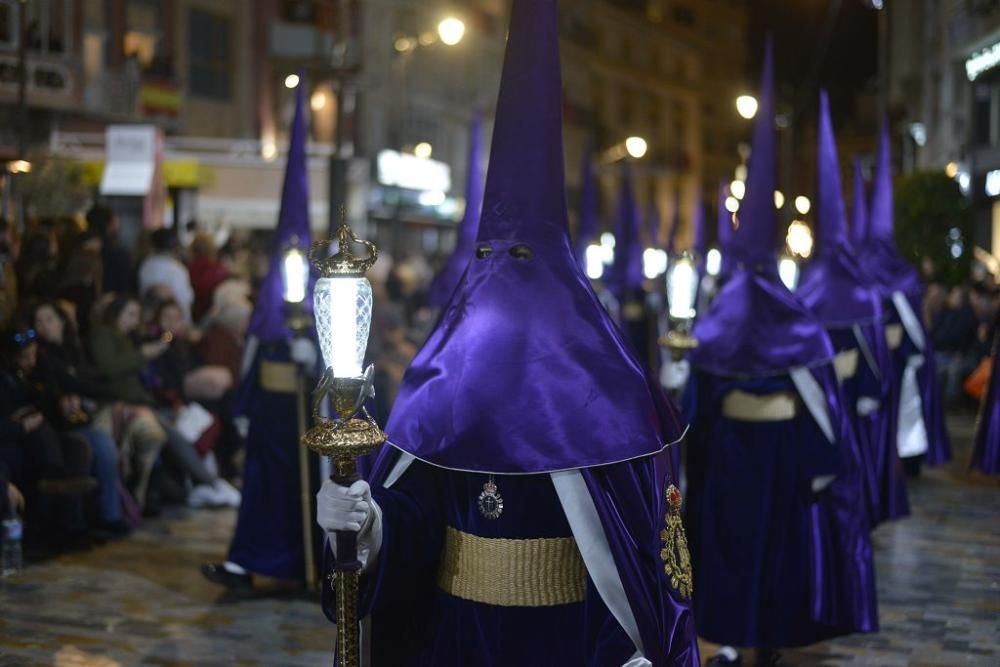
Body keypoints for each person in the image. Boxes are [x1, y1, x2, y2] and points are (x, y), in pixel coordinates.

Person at [317, 3, 699, 664]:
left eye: (522, 261)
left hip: (563, 643)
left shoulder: (606, 399)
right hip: (454, 640)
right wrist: (365, 521)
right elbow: (413, 518)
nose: (504, 282)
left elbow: (640, 548)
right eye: (492, 260)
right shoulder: (443, 383)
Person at [685, 45, 876, 667]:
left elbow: (697, 403)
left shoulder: (723, 316)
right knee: (774, 552)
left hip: (738, 461)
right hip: (783, 460)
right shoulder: (796, 318)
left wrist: (699, 458)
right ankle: (760, 641)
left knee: (737, 551)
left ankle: (739, 640)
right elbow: (827, 410)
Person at [202, 80, 320, 591]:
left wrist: (311, 355)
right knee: (262, 488)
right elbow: (253, 350)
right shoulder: (270, 288)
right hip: (272, 412)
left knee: (310, 487)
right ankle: (249, 562)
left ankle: (315, 567)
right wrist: (246, 409)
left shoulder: (326, 288)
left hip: (310, 408)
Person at [797, 91, 909, 527]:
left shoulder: (827, 291)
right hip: (832, 399)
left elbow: (875, 354)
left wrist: (864, 389)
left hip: (846, 397)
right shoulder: (825, 289)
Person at [32, 302, 128, 535]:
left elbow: (89, 377)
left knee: (114, 430)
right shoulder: (40, 355)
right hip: (58, 423)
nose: (45, 326)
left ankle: (112, 512)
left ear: (62, 322)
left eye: (50, 319)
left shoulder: (72, 349)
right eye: (39, 321)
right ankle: (109, 515)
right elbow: (69, 384)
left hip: (84, 415)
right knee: (103, 444)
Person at [139, 229, 194, 322]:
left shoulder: (145, 265)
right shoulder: (177, 269)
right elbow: (184, 301)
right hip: (172, 324)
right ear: (174, 245)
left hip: (150, 321)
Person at [86, 204, 134, 296]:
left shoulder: (75, 246)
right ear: (109, 224)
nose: (119, 225)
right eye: (116, 221)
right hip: (112, 303)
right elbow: (125, 285)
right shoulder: (118, 253)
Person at [188, 232, 230, 323]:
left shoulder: (187, 268)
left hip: (191, 312)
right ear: (213, 249)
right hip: (212, 316)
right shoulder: (220, 269)